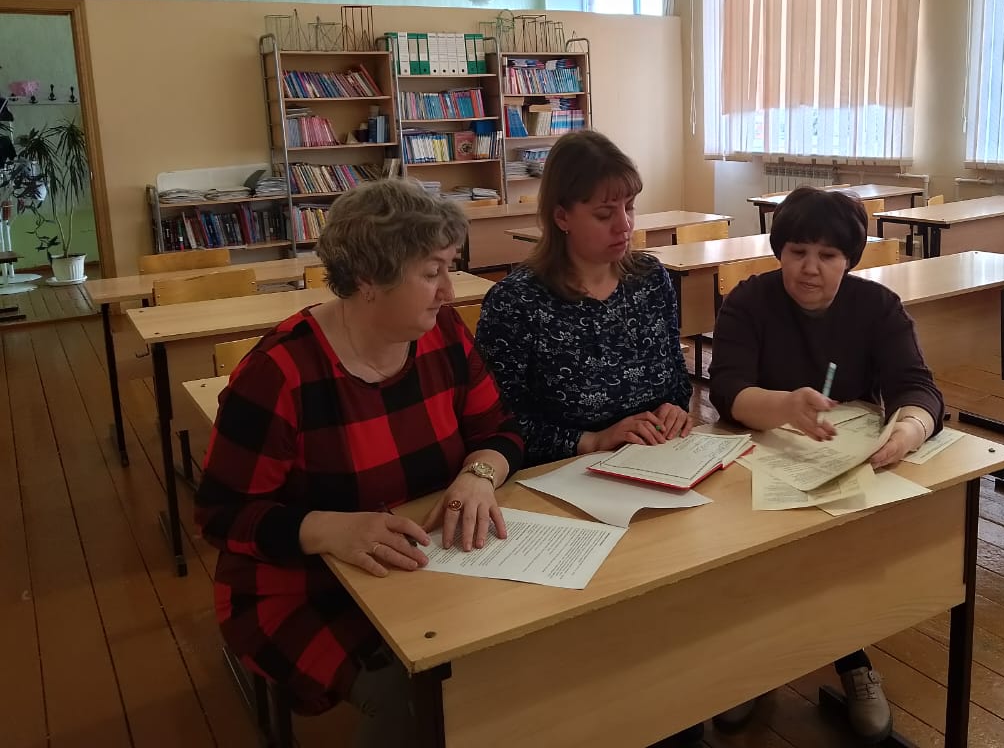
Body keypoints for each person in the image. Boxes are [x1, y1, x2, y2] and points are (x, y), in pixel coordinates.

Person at [195, 180, 523, 747]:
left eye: (449, 267)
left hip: (425, 562)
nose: (449, 291)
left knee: (513, 655)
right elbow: (221, 516)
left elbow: (499, 431)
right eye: (432, 273)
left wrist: (479, 475)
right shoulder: (279, 373)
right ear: (369, 279)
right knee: (418, 698)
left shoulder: (443, 334)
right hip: (305, 585)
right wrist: (329, 529)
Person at [708, 185, 944, 746]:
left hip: (843, 461)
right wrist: (785, 405)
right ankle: (754, 663)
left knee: (839, 560)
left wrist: (908, 430)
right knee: (758, 561)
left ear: (849, 259)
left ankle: (851, 656)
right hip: (758, 460)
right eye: (797, 251)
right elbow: (727, 391)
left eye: (827, 255)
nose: (809, 268)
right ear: (780, 251)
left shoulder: (877, 307)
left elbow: (917, 387)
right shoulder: (749, 301)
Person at [475, 129, 695, 467]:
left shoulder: (650, 279)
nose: (624, 225)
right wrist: (592, 440)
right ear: (561, 216)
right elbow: (501, 424)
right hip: (563, 475)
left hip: (657, 460)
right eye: (604, 214)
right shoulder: (516, 301)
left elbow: (677, 379)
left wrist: (674, 410)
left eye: (629, 207)